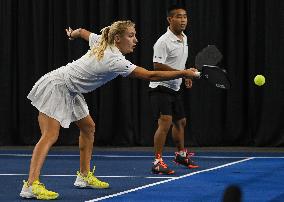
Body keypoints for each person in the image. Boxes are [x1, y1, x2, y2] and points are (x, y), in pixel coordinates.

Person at [19, 20, 199, 200]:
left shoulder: (102, 41)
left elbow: (82, 32)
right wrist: (183, 73)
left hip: (72, 90)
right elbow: (150, 75)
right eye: (131, 36)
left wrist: (72, 34)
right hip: (57, 85)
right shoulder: (114, 60)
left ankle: (84, 176)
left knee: (88, 128)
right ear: (118, 38)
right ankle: (31, 185)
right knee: (50, 135)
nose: (135, 40)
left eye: (135, 35)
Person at [149, 5, 199, 175]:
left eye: (185, 16)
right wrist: (182, 73)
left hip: (174, 87)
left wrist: (185, 75)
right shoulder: (163, 41)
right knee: (165, 122)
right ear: (170, 20)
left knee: (181, 122)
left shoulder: (184, 37)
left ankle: (180, 155)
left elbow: (178, 64)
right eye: (179, 16)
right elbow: (157, 65)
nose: (183, 20)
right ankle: (157, 161)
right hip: (160, 87)